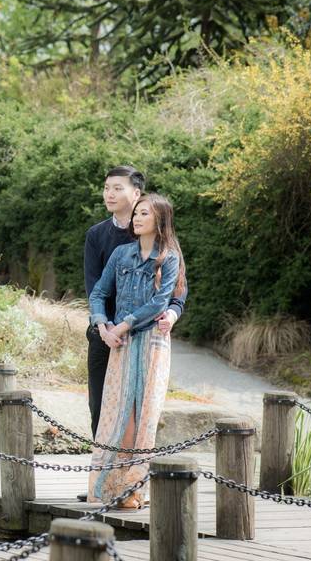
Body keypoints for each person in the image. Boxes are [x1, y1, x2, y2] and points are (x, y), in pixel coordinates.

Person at [85, 193, 187, 508]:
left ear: (160, 220)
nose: (137, 218)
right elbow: (99, 292)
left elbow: (160, 302)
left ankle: (133, 489)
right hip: (121, 342)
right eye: (137, 213)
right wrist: (103, 327)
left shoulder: (168, 257)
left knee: (144, 415)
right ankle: (111, 486)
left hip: (151, 343)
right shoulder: (120, 253)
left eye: (144, 213)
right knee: (118, 415)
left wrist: (124, 324)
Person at [82, 167, 186, 438]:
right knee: (101, 406)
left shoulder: (157, 235)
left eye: (118, 188)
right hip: (105, 332)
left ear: (136, 193)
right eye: (107, 188)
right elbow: (95, 288)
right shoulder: (97, 235)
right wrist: (104, 327)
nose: (110, 194)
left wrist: (172, 314)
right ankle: (105, 473)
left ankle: (135, 470)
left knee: (141, 407)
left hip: (142, 333)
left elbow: (176, 290)